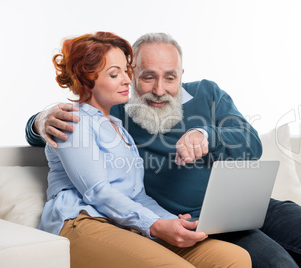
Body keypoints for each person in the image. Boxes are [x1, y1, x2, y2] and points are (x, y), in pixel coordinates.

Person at [27, 32, 301, 268]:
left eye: (170, 77)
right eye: (147, 77)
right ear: (132, 75)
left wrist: (207, 135)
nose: (159, 90)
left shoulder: (207, 93)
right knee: (277, 264)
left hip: (255, 204)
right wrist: (40, 120)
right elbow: (68, 124)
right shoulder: (116, 110)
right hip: (200, 220)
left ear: (182, 75)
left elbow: (252, 143)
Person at [38, 31, 252, 268]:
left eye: (126, 72)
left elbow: (138, 196)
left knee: (236, 258)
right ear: (87, 79)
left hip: (125, 222)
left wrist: (172, 221)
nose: (128, 80)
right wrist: (156, 225)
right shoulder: (70, 120)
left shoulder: (120, 127)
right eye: (114, 73)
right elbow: (96, 191)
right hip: (83, 220)